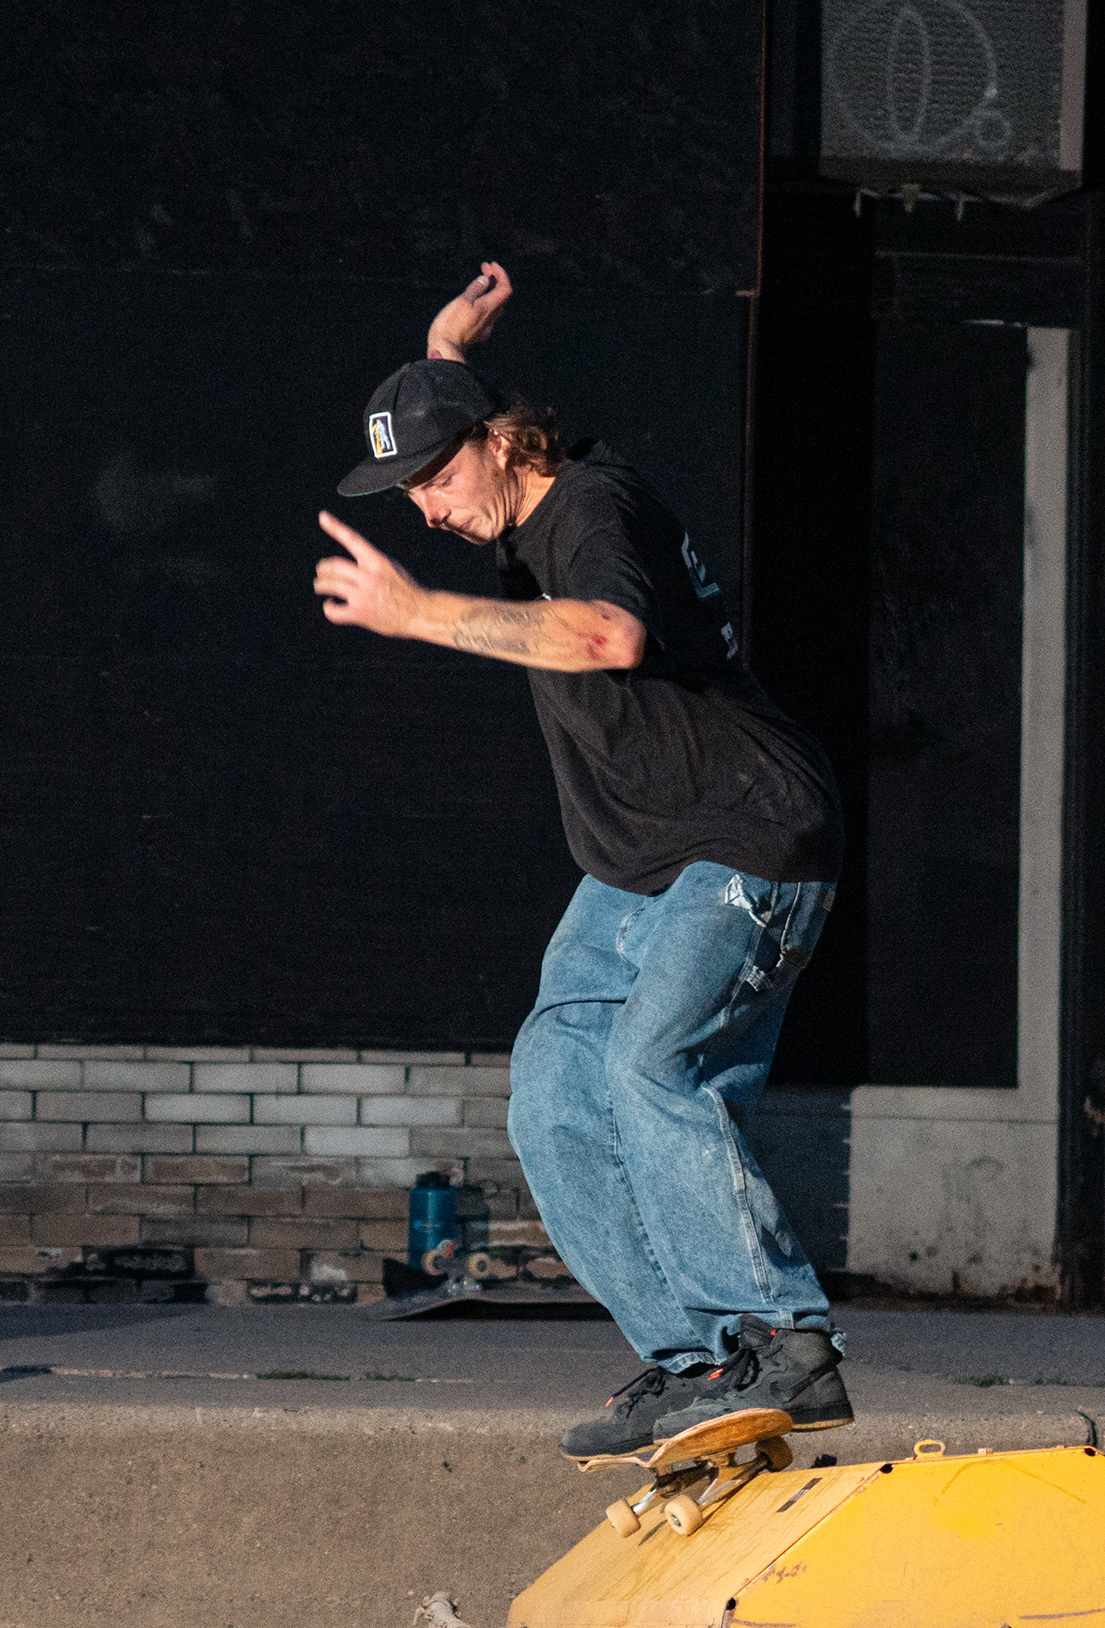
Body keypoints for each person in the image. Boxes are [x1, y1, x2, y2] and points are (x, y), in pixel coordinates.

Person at [314, 261, 852, 1458]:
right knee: (555, 1093)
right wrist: (443, 343)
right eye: (411, 496)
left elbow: (607, 633)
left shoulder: (595, 509)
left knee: (655, 1066)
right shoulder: (501, 470)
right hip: (634, 863)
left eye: (440, 482)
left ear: (506, 442)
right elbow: (453, 401)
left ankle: (783, 1341)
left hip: (748, 840)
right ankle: (697, 1362)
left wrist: (417, 615)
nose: (433, 515)